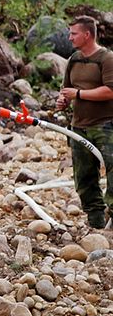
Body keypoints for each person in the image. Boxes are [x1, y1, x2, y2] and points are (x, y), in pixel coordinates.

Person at [56, 15, 113, 229]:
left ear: (87, 35)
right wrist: (62, 100)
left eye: (74, 33)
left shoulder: (107, 59)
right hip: (79, 127)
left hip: (106, 126)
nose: (69, 38)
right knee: (84, 177)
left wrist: (78, 94)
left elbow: (110, 91)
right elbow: (66, 90)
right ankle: (96, 220)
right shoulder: (74, 60)